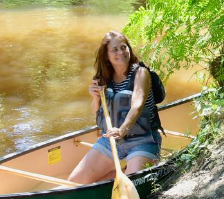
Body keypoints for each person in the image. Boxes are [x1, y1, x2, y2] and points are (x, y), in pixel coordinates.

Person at [69, 31, 162, 183]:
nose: (121, 52)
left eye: (123, 47)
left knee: (131, 183)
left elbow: (137, 105)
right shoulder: (104, 79)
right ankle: (119, 172)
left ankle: (128, 170)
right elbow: (97, 113)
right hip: (112, 139)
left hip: (143, 139)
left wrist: (122, 130)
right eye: (114, 49)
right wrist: (95, 98)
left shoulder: (141, 73)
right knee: (75, 181)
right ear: (106, 55)